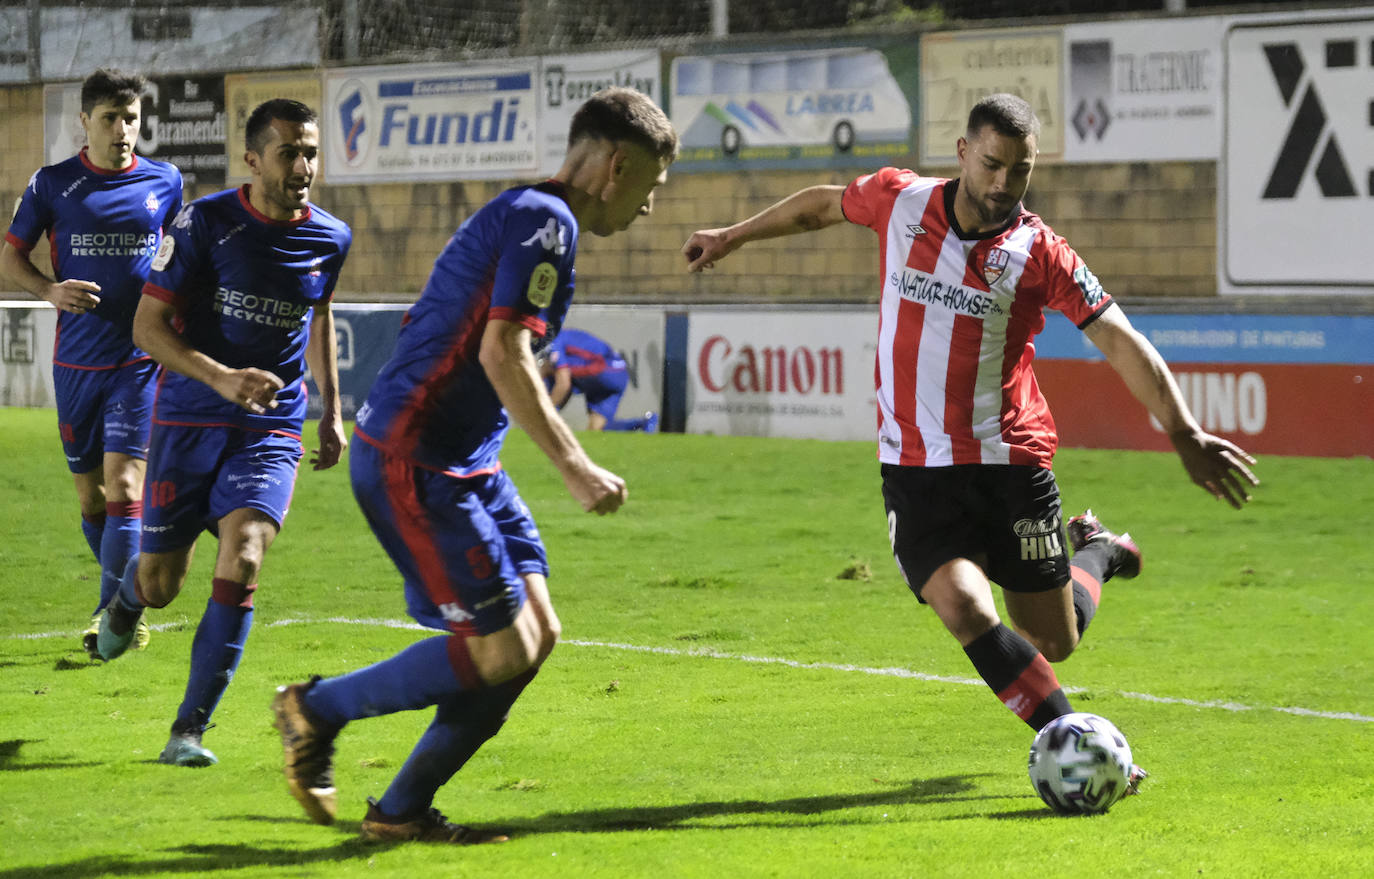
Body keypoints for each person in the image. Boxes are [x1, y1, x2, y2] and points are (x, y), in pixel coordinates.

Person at [682, 93, 1259, 790]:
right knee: (964, 607)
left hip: (1009, 465)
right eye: (991, 164)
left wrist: (1184, 431)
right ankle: (1089, 751)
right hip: (917, 470)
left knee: (1054, 639)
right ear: (962, 152)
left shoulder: (1039, 252)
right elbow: (822, 204)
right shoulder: (900, 200)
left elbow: (1119, 338)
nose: (1002, 184)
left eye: (1019, 171)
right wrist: (732, 235)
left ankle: (1099, 553)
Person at [269, 87, 677, 844]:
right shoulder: (545, 222)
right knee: (501, 648)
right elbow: (500, 351)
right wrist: (577, 465)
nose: (648, 205)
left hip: (466, 463)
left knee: (537, 634)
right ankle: (313, 709)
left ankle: (398, 812)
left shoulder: (536, 215)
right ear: (617, 165)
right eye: (650, 185)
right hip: (414, 459)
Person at [94, 99, 351, 770]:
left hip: (270, 425)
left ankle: (188, 729)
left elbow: (317, 315)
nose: (304, 166)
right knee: (160, 584)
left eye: (312, 152)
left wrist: (331, 407)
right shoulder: (205, 223)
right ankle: (128, 597)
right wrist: (220, 376)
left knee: (244, 554)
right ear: (253, 159)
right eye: (290, 152)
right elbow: (147, 328)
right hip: (187, 416)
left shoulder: (332, 236)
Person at [1, 69, 183, 658]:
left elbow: (185, 258)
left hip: (139, 361)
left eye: (131, 118)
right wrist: (50, 291)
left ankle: (116, 613)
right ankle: (122, 594)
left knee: (126, 484)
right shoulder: (54, 185)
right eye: (110, 118)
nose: (123, 129)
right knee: (91, 500)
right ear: (85, 121)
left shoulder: (166, 181)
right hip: (76, 364)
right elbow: (10, 259)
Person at [539, 327, 658, 432]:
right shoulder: (563, 338)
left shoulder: (555, 340)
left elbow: (564, 384)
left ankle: (543, 419)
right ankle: (642, 424)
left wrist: (544, 415)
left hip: (604, 369)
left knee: (555, 373)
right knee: (596, 431)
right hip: (619, 373)